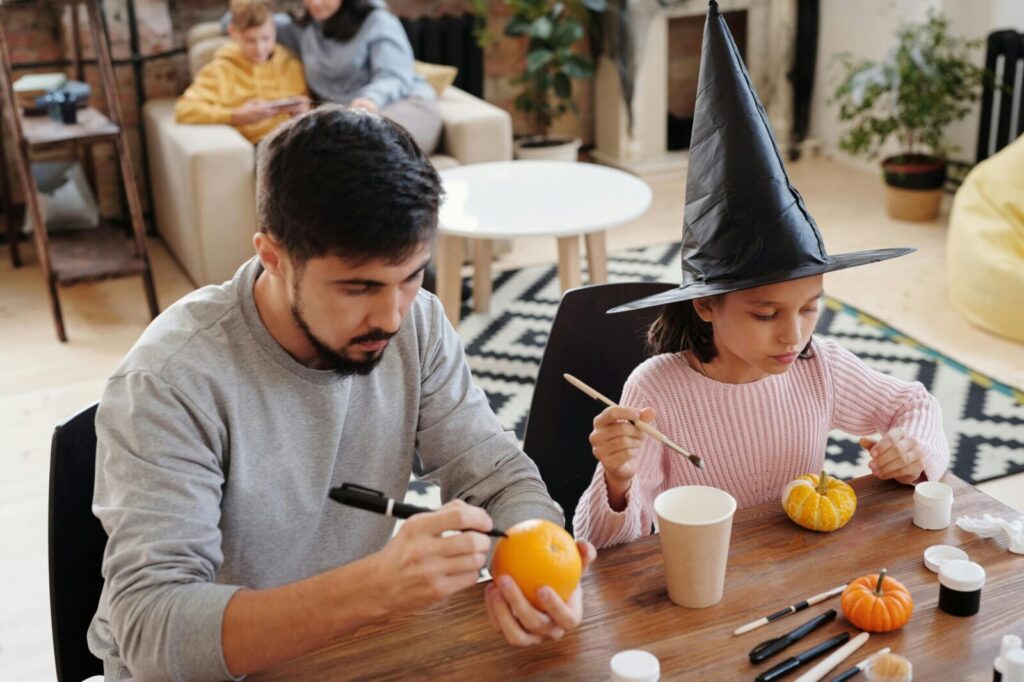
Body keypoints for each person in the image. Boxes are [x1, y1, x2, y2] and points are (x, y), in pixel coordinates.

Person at [88, 107, 594, 681]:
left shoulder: (417, 323)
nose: (392, 315)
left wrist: (538, 571)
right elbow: (152, 629)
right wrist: (375, 588)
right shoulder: (170, 381)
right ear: (273, 255)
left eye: (412, 275)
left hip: (348, 651)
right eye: (359, 288)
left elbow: (497, 474)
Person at [573, 1, 949, 549]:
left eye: (810, 307)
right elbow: (608, 552)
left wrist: (914, 447)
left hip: (798, 572)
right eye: (766, 313)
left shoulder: (820, 366)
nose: (793, 336)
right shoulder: (658, 390)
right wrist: (618, 482)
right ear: (706, 303)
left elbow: (914, 403)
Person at [225, 0, 442, 153]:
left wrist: (370, 100)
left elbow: (394, 76)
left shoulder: (377, 20)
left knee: (354, 144)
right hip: (345, 120)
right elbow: (234, 20)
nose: (316, 3)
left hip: (401, 105)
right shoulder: (303, 28)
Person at [175, 0, 310, 144]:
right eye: (250, 41)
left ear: (274, 30)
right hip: (258, 147)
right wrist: (236, 115)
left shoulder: (292, 66)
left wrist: (303, 112)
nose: (260, 48)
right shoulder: (221, 70)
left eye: (266, 38)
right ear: (232, 32)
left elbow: (310, 106)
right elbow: (185, 110)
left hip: (297, 143)